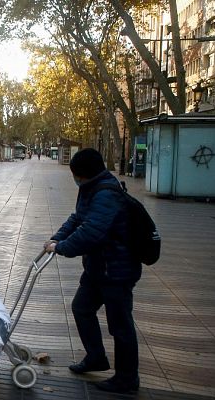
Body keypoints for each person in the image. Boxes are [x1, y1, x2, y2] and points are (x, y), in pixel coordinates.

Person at [44, 148, 141, 394]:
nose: (74, 179)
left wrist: (62, 247)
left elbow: (91, 232)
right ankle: (96, 357)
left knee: (120, 325)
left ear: (85, 174)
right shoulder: (90, 188)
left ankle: (127, 379)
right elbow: (78, 219)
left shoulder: (107, 194)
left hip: (116, 270)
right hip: (98, 268)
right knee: (82, 308)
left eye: (75, 174)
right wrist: (56, 238)